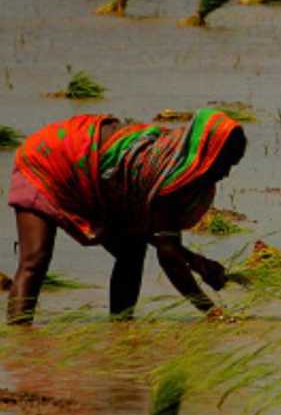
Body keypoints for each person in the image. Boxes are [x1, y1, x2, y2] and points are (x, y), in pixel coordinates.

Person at [7, 109, 246, 324]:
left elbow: (153, 233)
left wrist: (196, 262)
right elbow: (169, 256)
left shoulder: (181, 161)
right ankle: (19, 340)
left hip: (91, 169)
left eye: (232, 166)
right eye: (223, 163)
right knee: (35, 260)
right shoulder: (167, 177)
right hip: (47, 158)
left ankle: (120, 327)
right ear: (207, 152)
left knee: (132, 250)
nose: (225, 173)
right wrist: (211, 312)